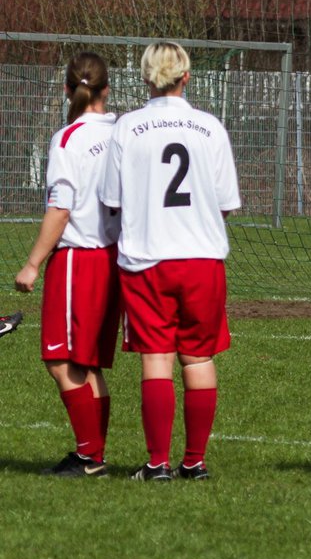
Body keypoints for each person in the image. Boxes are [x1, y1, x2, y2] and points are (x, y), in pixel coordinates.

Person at [99, 42, 241, 481]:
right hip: (201, 259)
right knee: (198, 359)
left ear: (144, 78)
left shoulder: (126, 127)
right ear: (187, 76)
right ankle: (194, 462)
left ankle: (157, 463)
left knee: (156, 359)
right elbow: (226, 203)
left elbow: (111, 200)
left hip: (147, 258)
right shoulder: (210, 127)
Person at [13, 52, 121, 477]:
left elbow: (61, 208)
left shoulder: (68, 138)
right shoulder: (123, 130)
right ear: (107, 89)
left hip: (80, 257)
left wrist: (33, 264)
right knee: (87, 361)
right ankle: (92, 454)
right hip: (115, 256)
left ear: (66, 89)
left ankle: (89, 455)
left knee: (60, 360)